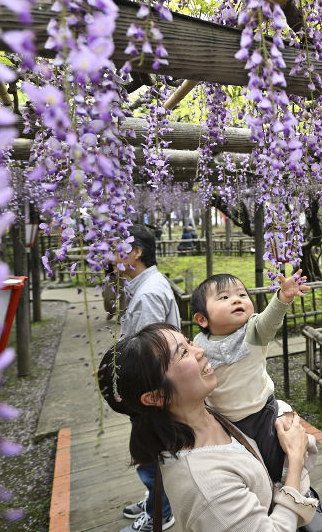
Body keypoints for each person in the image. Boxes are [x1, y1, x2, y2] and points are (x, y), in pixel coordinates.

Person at [97, 323, 319, 532]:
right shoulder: (205, 486)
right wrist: (295, 459)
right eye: (183, 353)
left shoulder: (209, 410)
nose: (200, 350)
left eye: (189, 342)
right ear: (156, 397)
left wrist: (282, 417)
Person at [189, 272, 308, 482]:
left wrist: (283, 298)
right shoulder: (198, 345)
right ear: (202, 319)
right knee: (241, 467)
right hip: (222, 420)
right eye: (223, 297)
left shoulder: (253, 330)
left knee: (272, 465)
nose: (236, 299)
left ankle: (282, 491)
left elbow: (269, 320)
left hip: (261, 413)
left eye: (242, 295)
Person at [116, 224, 181, 532]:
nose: (111, 255)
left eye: (118, 248)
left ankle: (161, 511)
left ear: (136, 252)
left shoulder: (149, 293)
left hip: (149, 389)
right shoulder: (146, 285)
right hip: (151, 388)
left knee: (149, 450)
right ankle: (156, 499)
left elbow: (149, 353)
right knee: (152, 450)